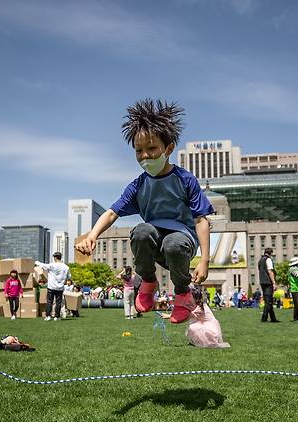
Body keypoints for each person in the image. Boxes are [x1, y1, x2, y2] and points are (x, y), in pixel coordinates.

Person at [75, 99, 214, 324]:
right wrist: (92, 236)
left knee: (173, 243)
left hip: (181, 243)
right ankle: (148, 281)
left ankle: (182, 293)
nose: (145, 156)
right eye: (138, 151)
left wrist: (205, 259)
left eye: (151, 149)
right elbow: (112, 213)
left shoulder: (184, 180)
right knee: (140, 231)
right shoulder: (139, 185)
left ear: (168, 149)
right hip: (155, 241)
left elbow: (201, 219)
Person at [35, 252, 71, 321]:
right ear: (61, 257)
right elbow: (69, 277)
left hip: (51, 287)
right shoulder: (66, 267)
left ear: (55, 257)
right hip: (60, 287)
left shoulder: (52, 265)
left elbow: (43, 265)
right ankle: (57, 316)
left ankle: (48, 316)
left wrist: (36, 262)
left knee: (49, 302)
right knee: (58, 303)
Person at [258, 248, 279, 323]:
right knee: (268, 301)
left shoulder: (260, 260)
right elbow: (270, 271)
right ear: (271, 253)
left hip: (262, 282)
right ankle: (264, 318)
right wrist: (274, 283)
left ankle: (273, 318)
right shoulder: (268, 259)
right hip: (268, 282)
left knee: (268, 300)